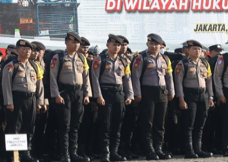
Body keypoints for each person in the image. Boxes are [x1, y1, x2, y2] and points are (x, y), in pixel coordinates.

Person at [132, 33, 175, 161]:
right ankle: (149, 150)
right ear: (147, 44)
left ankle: (158, 149)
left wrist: (171, 92)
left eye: (156, 44)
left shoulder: (165, 59)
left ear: (161, 45)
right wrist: (137, 93)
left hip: (162, 92)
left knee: (160, 123)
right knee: (147, 122)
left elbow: (169, 77)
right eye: (151, 44)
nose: (153, 46)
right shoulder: (141, 58)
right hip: (147, 92)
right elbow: (135, 77)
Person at [90, 35, 133, 162]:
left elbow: (127, 79)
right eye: (114, 45)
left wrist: (130, 95)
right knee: (106, 124)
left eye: (119, 45)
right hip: (106, 93)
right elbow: (95, 79)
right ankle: (105, 153)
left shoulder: (124, 61)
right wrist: (98, 96)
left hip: (119, 94)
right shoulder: (100, 59)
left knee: (117, 124)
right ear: (108, 45)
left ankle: (114, 152)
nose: (116, 47)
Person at [49, 32, 91, 162]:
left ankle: (74, 153)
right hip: (65, 92)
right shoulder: (59, 57)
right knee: (65, 125)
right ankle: (65, 154)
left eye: (77, 43)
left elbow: (86, 77)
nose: (76, 45)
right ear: (66, 42)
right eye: (73, 42)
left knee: (75, 125)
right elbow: (52, 77)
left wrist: (87, 94)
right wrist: (56, 94)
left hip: (78, 93)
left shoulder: (82, 58)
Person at [2, 39, 44, 162]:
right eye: (24, 49)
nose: (27, 51)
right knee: (15, 127)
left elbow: (39, 85)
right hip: (16, 99)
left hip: (31, 99)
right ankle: (15, 156)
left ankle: (26, 153)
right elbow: (6, 85)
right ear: (17, 50)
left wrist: (39, 102)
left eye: (29, 49)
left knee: (29, 127)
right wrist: (9, 102)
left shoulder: (35, 66)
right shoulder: (12, 65)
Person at [173, 40, 212, 160]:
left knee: (200, 124)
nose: (197, 51)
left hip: (203, 95)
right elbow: (178, 83)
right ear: (188, 51)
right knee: (189, 124)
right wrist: (181, 99)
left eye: (199, 49)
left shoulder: (205, 63)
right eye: (194, 49)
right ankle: (189, 151)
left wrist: (210, 96)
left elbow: (209, 81)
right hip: (189, 96)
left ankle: (198, 149)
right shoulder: (182, 63)